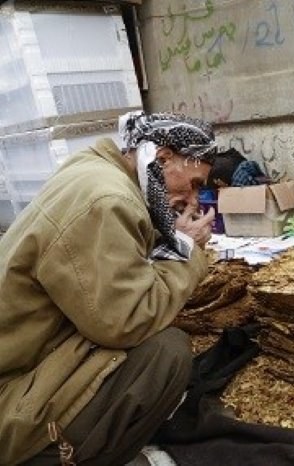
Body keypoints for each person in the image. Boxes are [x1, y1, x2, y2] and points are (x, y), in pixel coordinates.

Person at [0, 111, 237, 464]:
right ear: (163, 158)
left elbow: (124, 254)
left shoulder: (95, 172)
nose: (193, 199)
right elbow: (126, 322)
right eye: (195, 183)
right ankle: (62, 456)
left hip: (24, 361)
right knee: (166, 353)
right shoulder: (109, 200)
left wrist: (171, 241)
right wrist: (186, 254)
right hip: (12, 402)